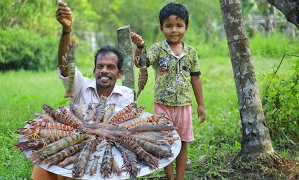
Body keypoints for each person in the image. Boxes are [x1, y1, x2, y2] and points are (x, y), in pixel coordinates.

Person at [31, 2, 134, 179]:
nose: (104, 70)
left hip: (106, 152)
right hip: (73, 148)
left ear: (119, 73)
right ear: (94, 71)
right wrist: (66, 30)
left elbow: (121, 131)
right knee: (48, 156)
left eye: (111, 67)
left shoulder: (126, 94)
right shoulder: (80, 86)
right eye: (100, 66)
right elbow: (65, 66)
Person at [131, 2, 206, 180]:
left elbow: (196, 78)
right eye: (169, 26)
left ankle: (179, 178)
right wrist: (140, 47)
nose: (174, 30)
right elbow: (141, 64)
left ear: (186, 27)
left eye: (179, 26)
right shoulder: (158, 49)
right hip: (162, 106)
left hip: (184, 106)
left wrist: (201, 104)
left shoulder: (191, 53)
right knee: (166, 143)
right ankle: (169, 177)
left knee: (183, 143)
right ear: (161, 28)